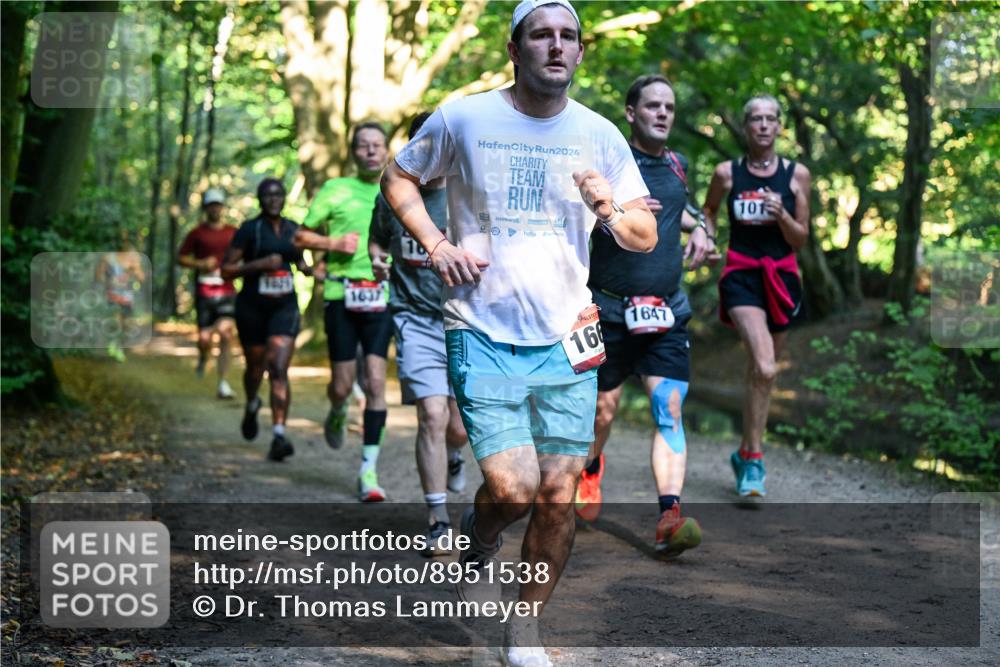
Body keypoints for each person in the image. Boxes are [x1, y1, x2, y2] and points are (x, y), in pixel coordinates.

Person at [381, 2, 656, 664]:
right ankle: (481, 532)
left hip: (567, 338)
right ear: (515, 47)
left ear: (581, 53)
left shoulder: (598, 135)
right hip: (481, 328)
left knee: (558, 494)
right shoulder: (465, 117)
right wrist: (436, 241)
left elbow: (643, 236)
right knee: (513, 489)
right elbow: (399, 175)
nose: (556, 46)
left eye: (568, 37)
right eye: (542, 35)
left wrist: (607, 207)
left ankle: (525, 624)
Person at [576, 75, 711, 558]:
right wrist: (616, 211)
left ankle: (668, 517)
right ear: (631, 113)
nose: (662, 114)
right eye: (652, 106)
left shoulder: (677, 164)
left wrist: (704, 234)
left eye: (669, 107)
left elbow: (687, 211)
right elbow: (574, 220)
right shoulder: (609, 164)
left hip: (667, 310)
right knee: (600, 412)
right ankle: (590, 471)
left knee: (668, 408)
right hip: (609, 310)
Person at [369, 112, 469, 555]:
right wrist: (377, 259)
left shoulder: (466, 195)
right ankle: (437, 517)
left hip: (464, 319)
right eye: (420, 145)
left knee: (459, 428)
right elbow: (376, 239)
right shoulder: (391, 194)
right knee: (431, 415)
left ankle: (454, 456)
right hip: (414, 319)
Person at [702, 94, 811, 497]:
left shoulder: (797, 176)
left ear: (780, 126)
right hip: (741, 275)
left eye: (770, 119)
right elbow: (709, 211)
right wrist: (707, 238)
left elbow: (801, 237)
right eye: (755, 119)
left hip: (782, 279)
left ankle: (747, 453)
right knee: (764, 367)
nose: (763, 125)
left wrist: (781, 214)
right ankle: (755, 462)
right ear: (746, 127)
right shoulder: (727, 173)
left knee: (760, 373)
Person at [295, 122, 393, 503]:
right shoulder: (336, 189)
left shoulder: (399, 189)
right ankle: (337, 408)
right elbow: (299, 236)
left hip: (382, 297)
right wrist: (331, 242)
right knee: (342, 385)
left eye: (377, 145)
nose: (370, 152)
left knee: (375, 383)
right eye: (363, 146)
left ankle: (368, 470)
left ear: (386, 151)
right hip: (341, 295)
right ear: (353, 152)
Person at [221, 179, 318, 462]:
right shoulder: (249, 230)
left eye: (278, 194)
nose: (274, 199)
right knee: (255, 369)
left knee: (277, 368)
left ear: (284, 198)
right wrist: (257, 265)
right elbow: (226, 269)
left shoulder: (293, 229)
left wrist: (309, 270)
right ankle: (252, 404)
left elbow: (300, 262)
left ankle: (278, 435)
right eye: (268, 195)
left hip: (284, 307)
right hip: (251, 307)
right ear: (260, 199)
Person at [178, 188, 238, 399]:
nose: (215, 209)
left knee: (226, 333)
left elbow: (244, 256)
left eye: (218, 205)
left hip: (227, 291)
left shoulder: (233, 232)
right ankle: (204, 354)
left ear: (222, 207)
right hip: (204, 292)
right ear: (205, 208)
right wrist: (200, 264)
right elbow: (181, 257)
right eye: (211, 205)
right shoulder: (196, 233)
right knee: (205, 338)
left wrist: (235, 268)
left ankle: (223, 383)